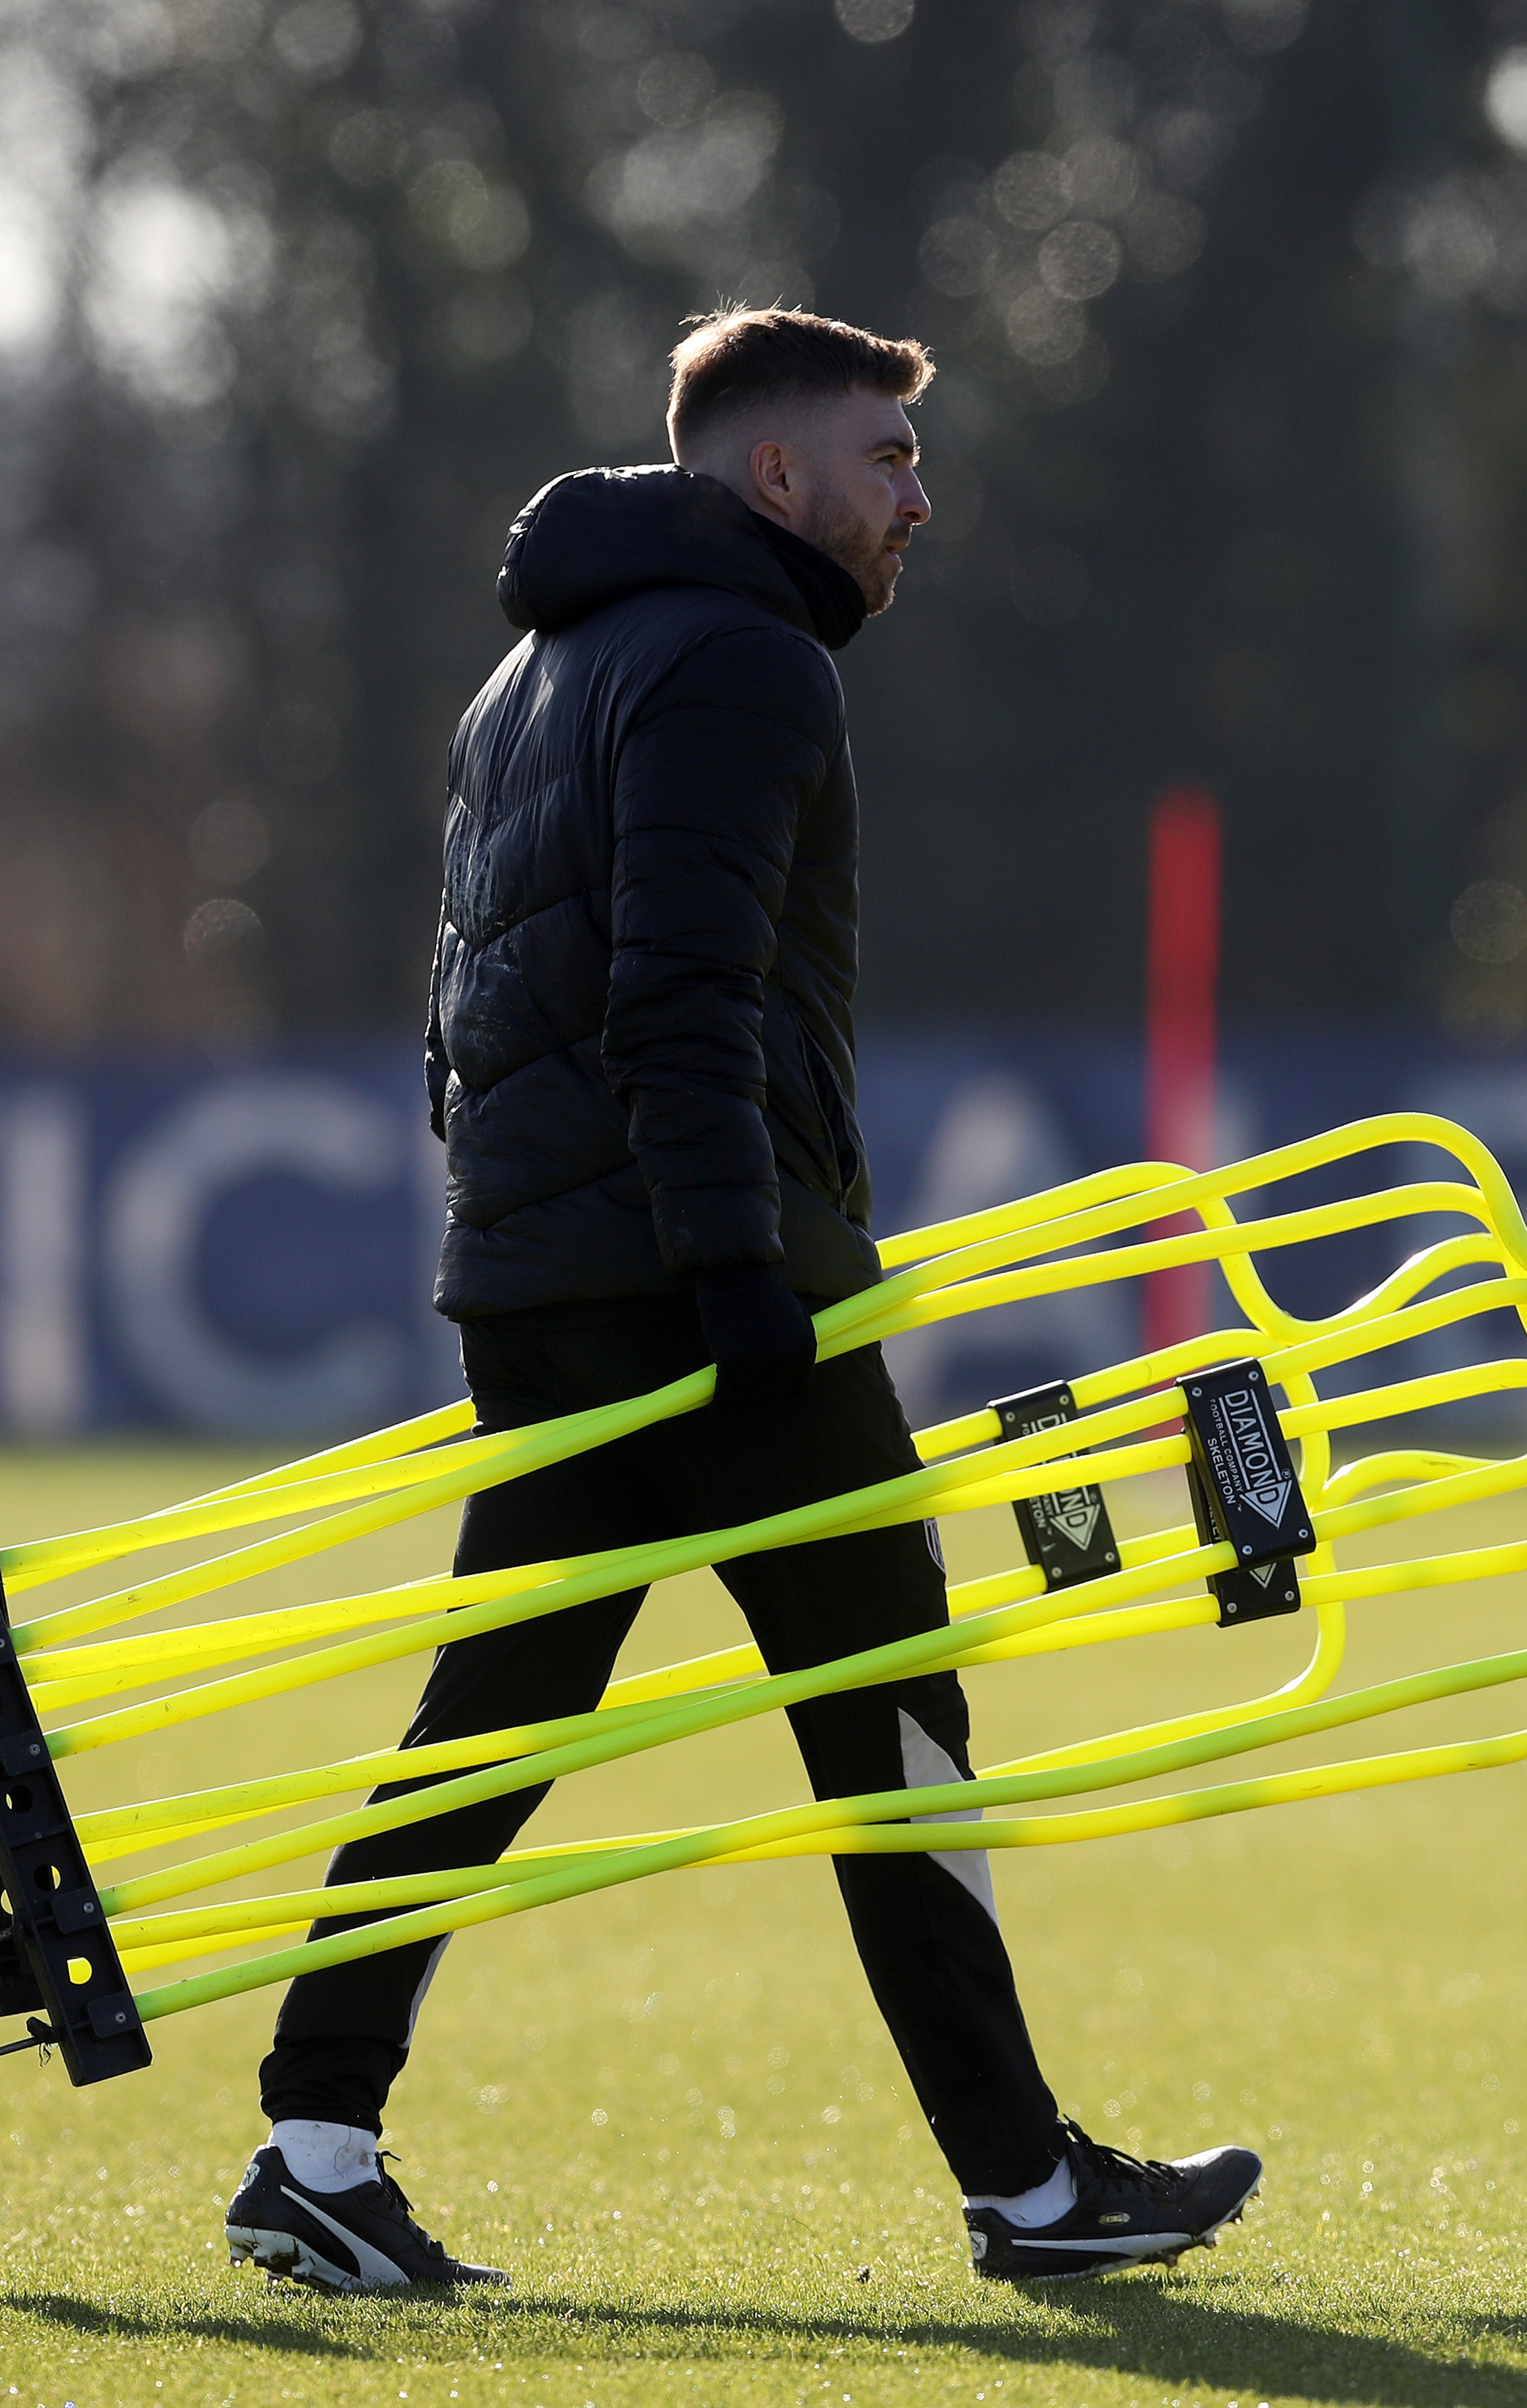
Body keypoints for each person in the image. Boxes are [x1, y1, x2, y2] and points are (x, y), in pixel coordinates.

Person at [223, 307, 1261, 2294]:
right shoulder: (741, 658)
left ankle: (314, 2140)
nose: (915, 499)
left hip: (545, 1274)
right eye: (884, 460)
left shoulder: (527, 670)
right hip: (708, 1282)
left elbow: (474, 1018)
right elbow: (674, 993)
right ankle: (1029, 2190)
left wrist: (555, 1246)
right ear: (767, 477)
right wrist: (734, 1267)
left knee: (495, 1718)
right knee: (893, 1725)